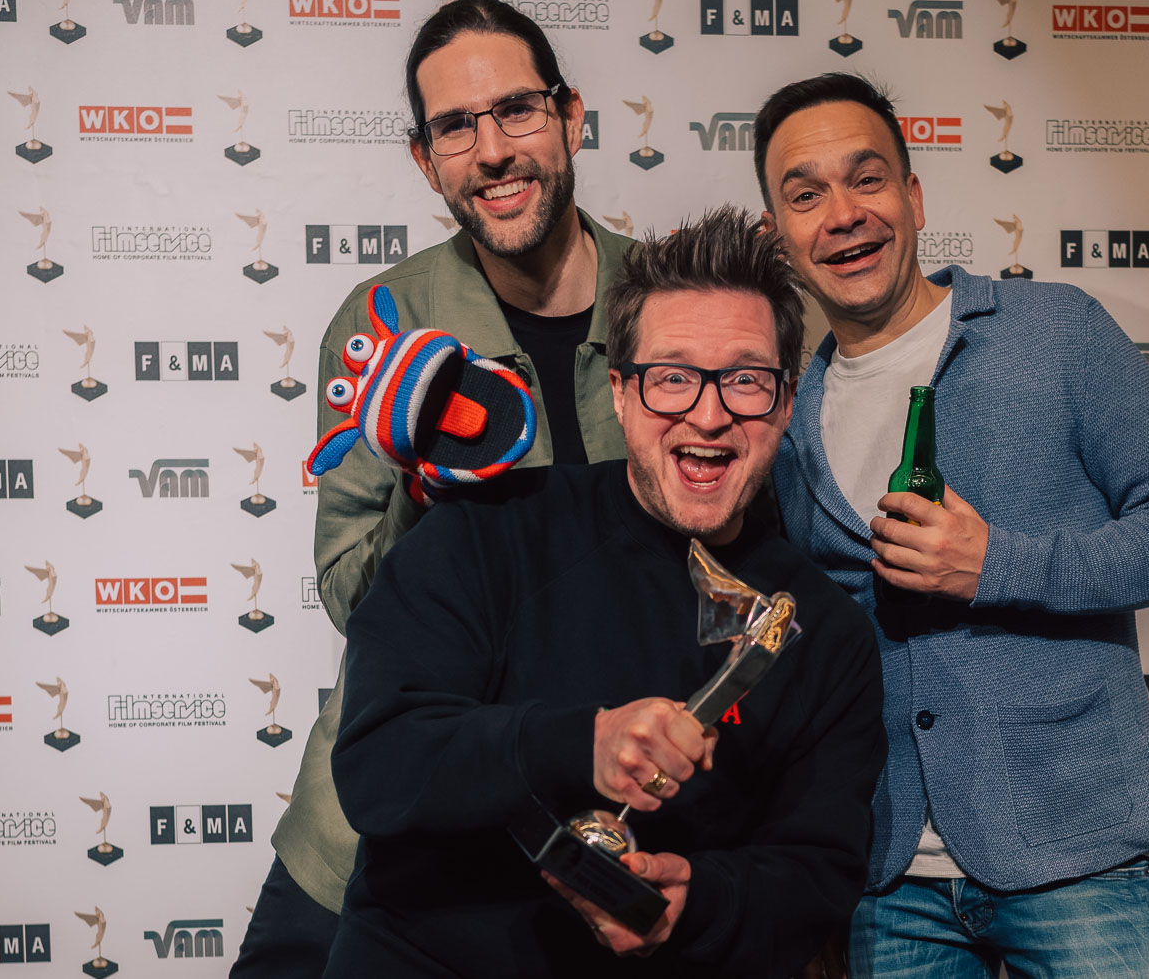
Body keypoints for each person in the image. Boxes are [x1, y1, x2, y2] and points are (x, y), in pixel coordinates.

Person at [754, 73, 1149, 976]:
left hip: (1077, 854)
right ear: (778, 234)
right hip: (885, 879)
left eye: (867, 179)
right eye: (805, 195)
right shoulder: (785, 414)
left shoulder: (1055, 332)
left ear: (914, 196)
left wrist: (999, 565)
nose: (844, 214)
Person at [319, 206, 886, 978]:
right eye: (672, 378)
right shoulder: (485, 531)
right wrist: (582, 743)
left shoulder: (824, 630)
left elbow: (816, 874)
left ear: (785, 403)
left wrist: (697, 903)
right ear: (620, 393)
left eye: (746, 380)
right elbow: (379, 767)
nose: (709, 414)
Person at [232, 0, 630, 977]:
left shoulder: (670, 304)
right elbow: (349, 596)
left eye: (517, 110)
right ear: (425, 160)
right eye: (454, 127)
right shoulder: (384, 324)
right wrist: (421, 487)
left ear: (571, 116)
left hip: (596, 841)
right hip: (380, 841)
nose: (491, 151)